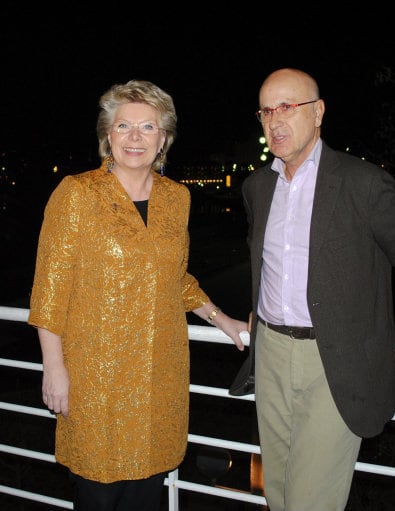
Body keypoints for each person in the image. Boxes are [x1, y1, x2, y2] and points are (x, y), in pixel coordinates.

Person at [229, 68, 395, 511]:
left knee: (311, 501)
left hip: (334, 360)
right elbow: (267, 261)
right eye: (267, 111)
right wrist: (259, 308)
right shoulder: (258, 187)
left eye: (288, 107)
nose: (275, 120)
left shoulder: (363, 184)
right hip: (269, 352)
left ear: (319, 112)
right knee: (278, 492)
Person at [28, 79, 247, 511]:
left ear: (163, 138)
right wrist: (54, 367)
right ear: (107, 135)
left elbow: (175, 278)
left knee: (147, 490)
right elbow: (50, 288)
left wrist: (223, 319)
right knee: (98, 490)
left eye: (148, 127)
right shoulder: (77, 194)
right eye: (124, 126)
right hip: (95, 377)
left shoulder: (177, 198)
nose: (135, 137)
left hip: (159, 373)